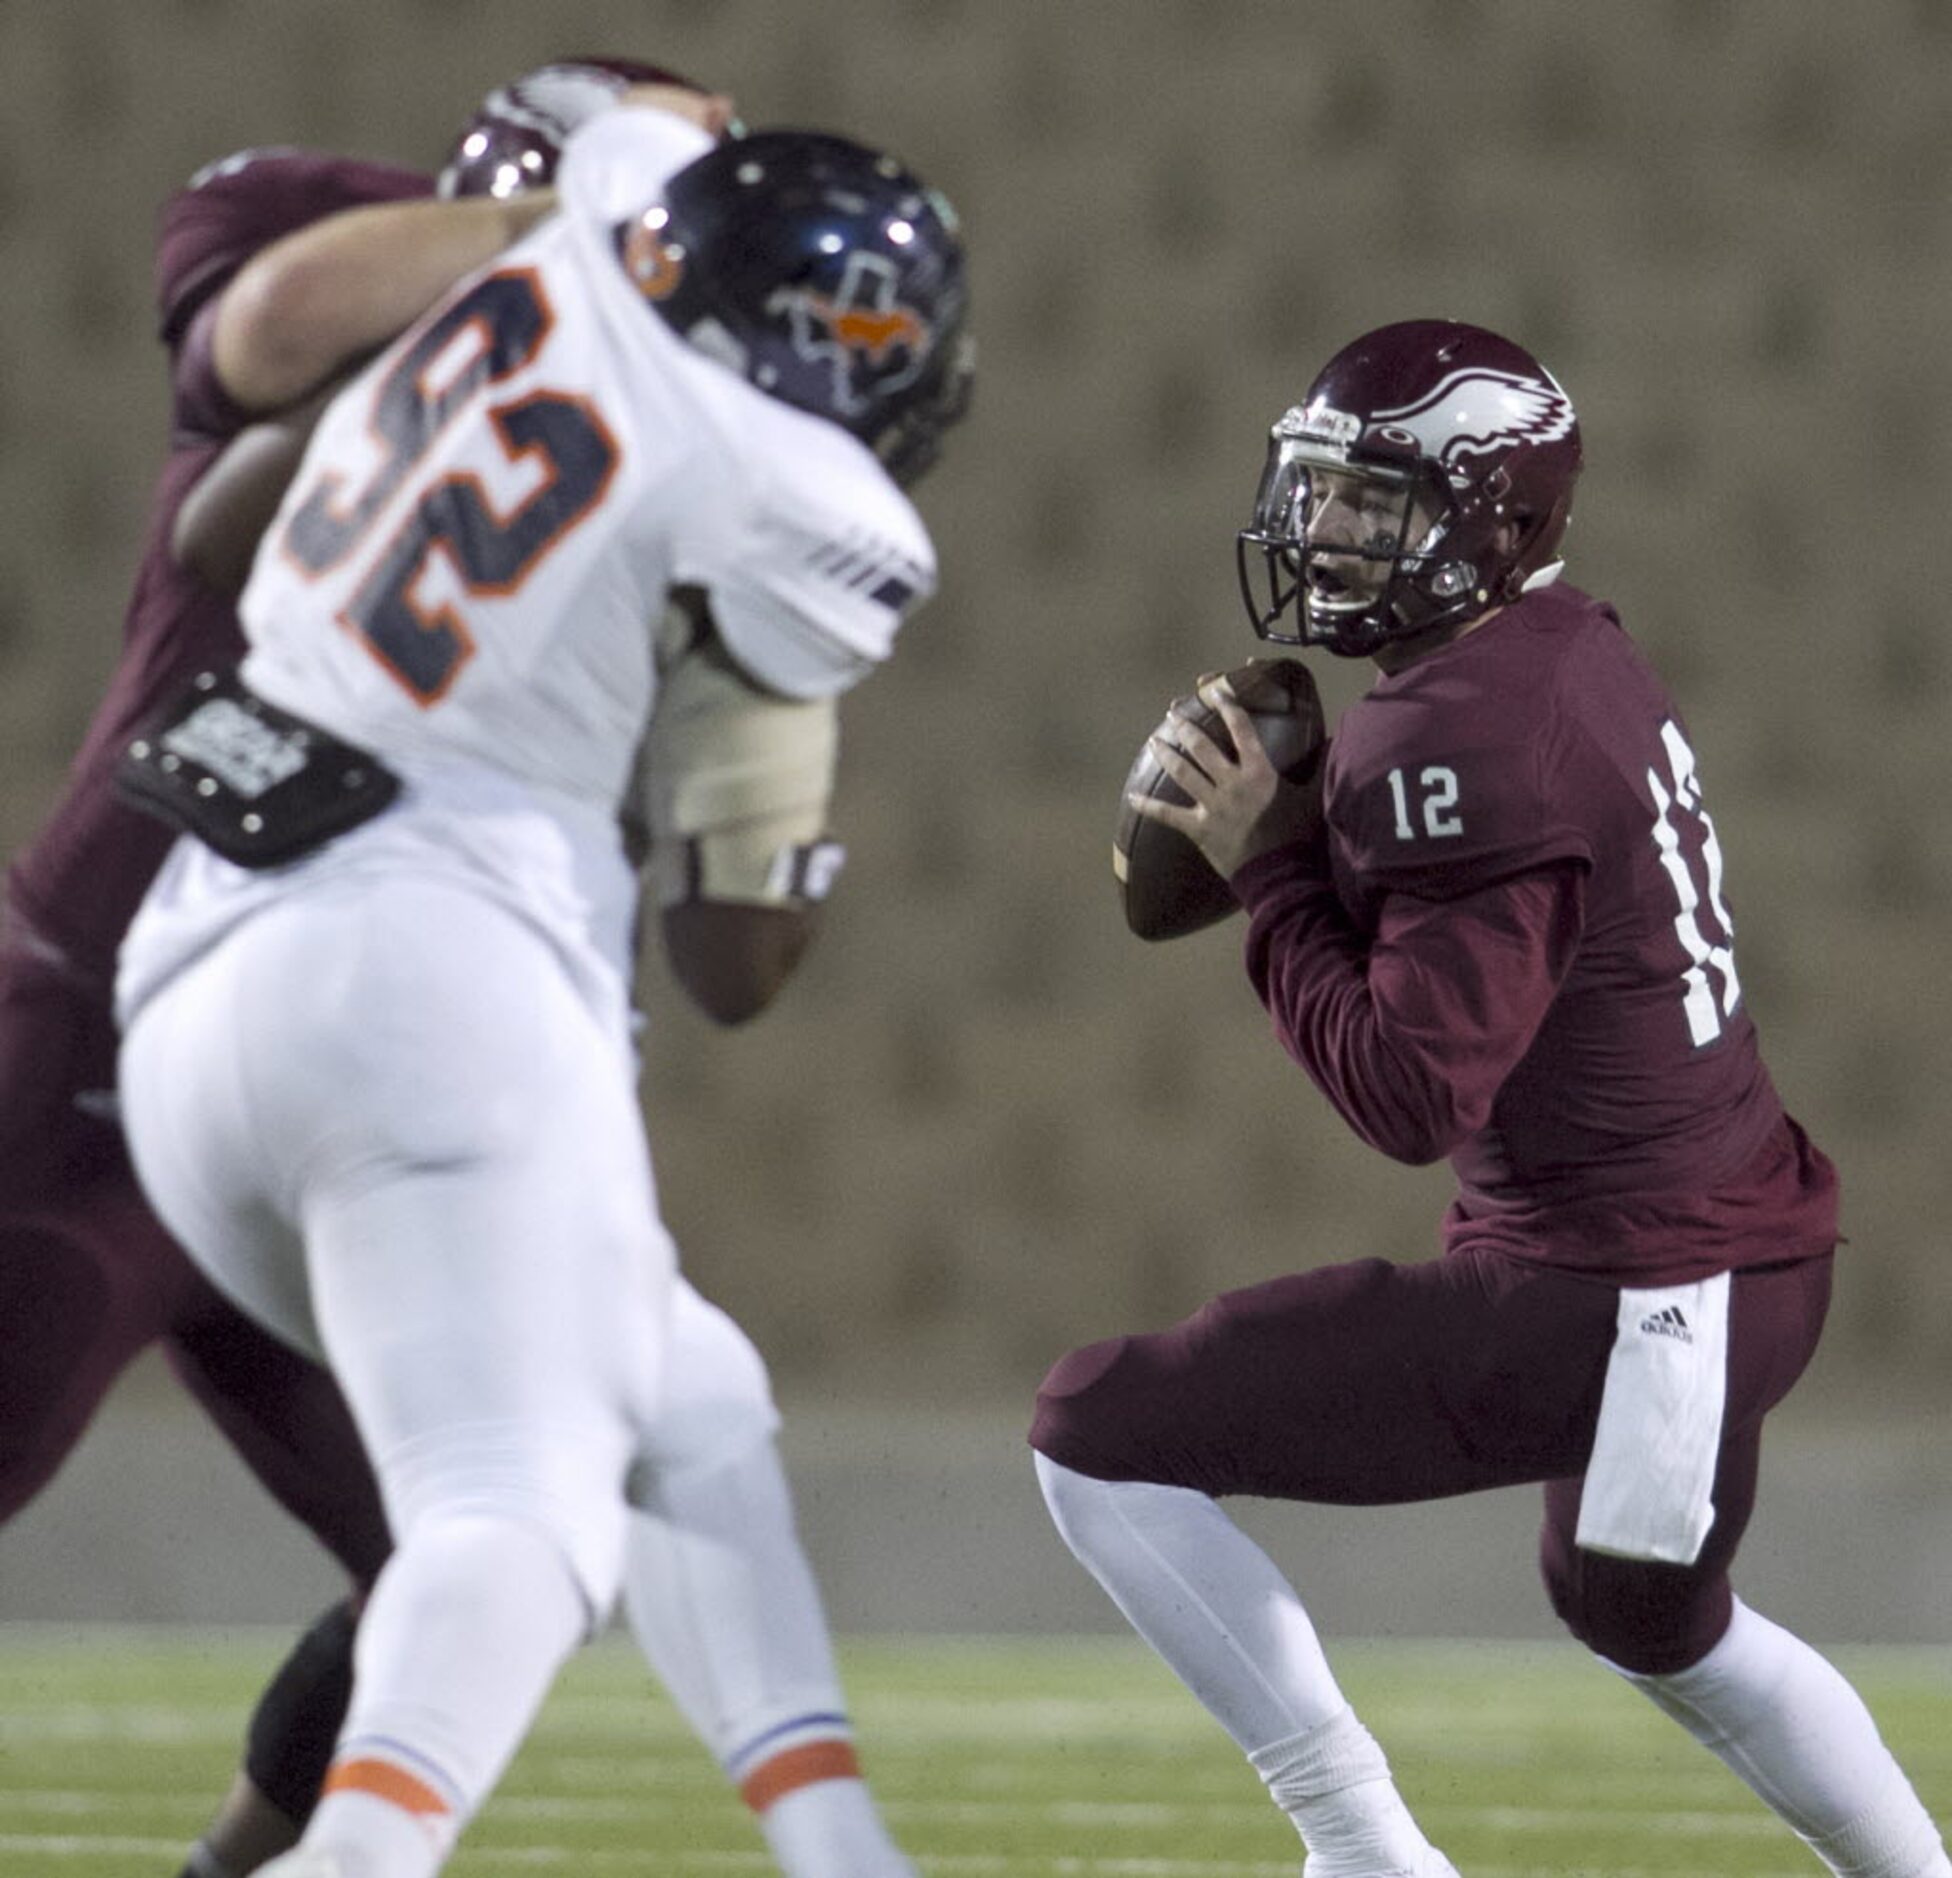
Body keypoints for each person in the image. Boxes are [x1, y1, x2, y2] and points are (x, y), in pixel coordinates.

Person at [2, 56, 919, 1878]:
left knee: (511, 1516)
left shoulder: (625, 394)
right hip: (138, 1020)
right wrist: (584, 237)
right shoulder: (338, 232)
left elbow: (229, 515)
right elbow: (255, 348)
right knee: (520, 1506)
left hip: (266, 996)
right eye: (689, 206)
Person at [1029, 320, 1947, 1878]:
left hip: (1629, 1298)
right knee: (1649, 1619)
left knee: (1098, 1431)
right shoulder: (1561, 646)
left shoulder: (1459, 734)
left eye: (1377, 505)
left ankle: (1364, 1851)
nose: (1325, 533)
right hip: (1732, 1265)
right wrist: (1312, 853)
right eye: (1321, 494)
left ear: (1499, 522)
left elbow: (1409, 1085)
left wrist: (1272, 874)